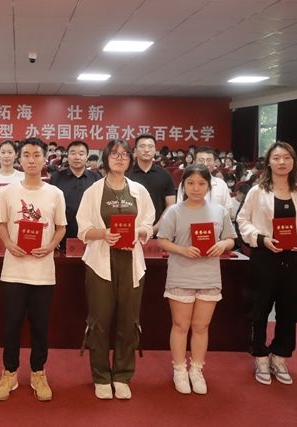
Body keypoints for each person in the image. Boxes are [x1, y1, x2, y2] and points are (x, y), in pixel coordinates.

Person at [76, 139, 155, 400]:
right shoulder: (93, 191)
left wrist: (138, 232)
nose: (119, 158)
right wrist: (104, 233)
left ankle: (122, 375)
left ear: (130, 159)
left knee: (128, 321)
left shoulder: (139, 191)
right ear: (106, 159)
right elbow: (83, 229)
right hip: (100, 263)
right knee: (99, 321)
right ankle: (101, 376)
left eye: (124, 155)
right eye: (114, 154)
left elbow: (148, 224)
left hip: (131, 262)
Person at [237, 141, 297, 386]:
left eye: (287, 157)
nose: (282, 162)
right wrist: (261, 238)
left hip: (294, 258)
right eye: (276, 158)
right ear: (268, 162)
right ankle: (261, 356)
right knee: (260, 307)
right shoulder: (257, 191)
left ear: (293, 162)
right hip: (265, 257)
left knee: (289, 309)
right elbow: (243, 220)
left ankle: (280, 356)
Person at [0, 137, 66, 402]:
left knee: (40, 326)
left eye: (36, 155)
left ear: (45, 159)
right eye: (26, 155)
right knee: (11, 324)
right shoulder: (8, 192)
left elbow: (61, 228)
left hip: (42, 271)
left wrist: (50, 247)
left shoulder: (55, 193)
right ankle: (9, 372)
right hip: (14, 270)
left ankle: (38, 372)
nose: (31, 160)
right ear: (19, 159)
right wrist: (9, 243)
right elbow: (0, 224)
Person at [156, 165, 236, 395]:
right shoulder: (173, 211)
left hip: (209, 277)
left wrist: (223, 244)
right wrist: (182, 250)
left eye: (201, 183)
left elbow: (230, 239)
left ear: (209, 186)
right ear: (183, 186)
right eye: (190, 183)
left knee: (201, 327)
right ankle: (179, 369)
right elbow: (162, 240)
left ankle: (197, 369)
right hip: (181, 275)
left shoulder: (219, 211)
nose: (196, 188)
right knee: (180, 326)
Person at [50, 140, 101, 250]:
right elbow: (51, 207)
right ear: (67, 156)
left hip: (90, 237)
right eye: (73, 153)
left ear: (87, 157)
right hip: (63, 236)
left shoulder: (96, 178)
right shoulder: (56, 177)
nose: (77, 157)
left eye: (81, 154)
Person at [128, 134, 176, 235]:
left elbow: (171, 206)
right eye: (142, 146)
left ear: (155, 151)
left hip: (159, 233)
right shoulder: (126, 174)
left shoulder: (165, 175)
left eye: (150, 146)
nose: (146, 150)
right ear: (135, 151)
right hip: (131, 232)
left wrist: (154, 229)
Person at [177, 147, 233, 216]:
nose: (205, 164)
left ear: (214, 162)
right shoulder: (185, 184)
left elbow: (227, 209)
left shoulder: (221, 184)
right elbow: (180, 209)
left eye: (209, 160)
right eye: (201, 160)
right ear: (194, 162)